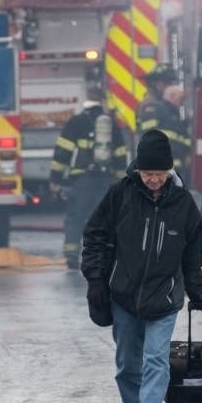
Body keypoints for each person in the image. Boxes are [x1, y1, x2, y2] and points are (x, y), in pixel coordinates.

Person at [81, 129, 202, 403]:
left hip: (165, 299)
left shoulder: (184, 205)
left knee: (156, 359)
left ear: (169, 171)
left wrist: (198, 294)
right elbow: (94, 235)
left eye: (159, 174)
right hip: (123, 297)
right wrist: (96, 278)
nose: (153, 180)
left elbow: (192, 256)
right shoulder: (120, 194)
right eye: (147, 174)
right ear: (137, 169)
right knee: (128, 364)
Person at [49, 86, 128, 270]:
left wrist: (56, 178)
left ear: (86, 100)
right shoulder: (112, 124)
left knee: (76, 217)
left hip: (82, 179)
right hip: (105, 179)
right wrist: (120, 181)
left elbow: (63, 152)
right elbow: (120, 154)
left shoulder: (76, 122)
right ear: (102, 101)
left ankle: (71, 255)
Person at [135, 67, 192, 180]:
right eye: (167, 82)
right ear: (157, 84)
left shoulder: (166, 107)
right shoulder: (151, 106)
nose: (170, 85)